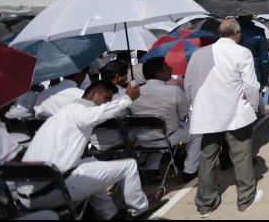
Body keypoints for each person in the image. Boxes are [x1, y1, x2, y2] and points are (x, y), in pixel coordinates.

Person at [20, 81, 165, 219]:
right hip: (52, 188)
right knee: (130, 165)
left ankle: (110, 215)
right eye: (106, 98)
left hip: (29, 194)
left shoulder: (65, 111)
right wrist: (127, 98)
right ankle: (139, 209)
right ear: (92, 94)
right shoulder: (81, 109)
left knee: (93, 163)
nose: (107, 103)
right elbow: (95, 115)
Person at [189, 18, 263, 216]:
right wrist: (254, 108)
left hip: (208, 117)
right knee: (242, 156)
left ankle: (206, 203)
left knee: (207, 158)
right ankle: (245, 198)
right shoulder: (242, 52)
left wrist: (198, 108)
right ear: (236, 34)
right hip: (235, 114)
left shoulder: (198, 54)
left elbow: (189, 85)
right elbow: (250, 86)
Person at [129, 57, 201, 183]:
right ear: (159, 74)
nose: (171, 69)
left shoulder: (133, 93)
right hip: (167, 138)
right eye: (167, 67)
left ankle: (152, 169)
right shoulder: (173, 90)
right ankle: (190, 171)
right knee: (197, 131)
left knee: (156, 130)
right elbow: (184, 114)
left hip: (143, 140)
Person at [89, 60, 130, 151]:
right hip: (120, 141)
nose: (127, 78)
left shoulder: (90, 95)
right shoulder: (126, 95)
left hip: (95, 142)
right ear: (118, 77)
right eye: (126, 75)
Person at [237, 16, 269, 90]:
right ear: (250, 16)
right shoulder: (258, 31)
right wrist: (265, 81)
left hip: (233, 74)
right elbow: (264, 59)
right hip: (254, 73)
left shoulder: (230, 32)